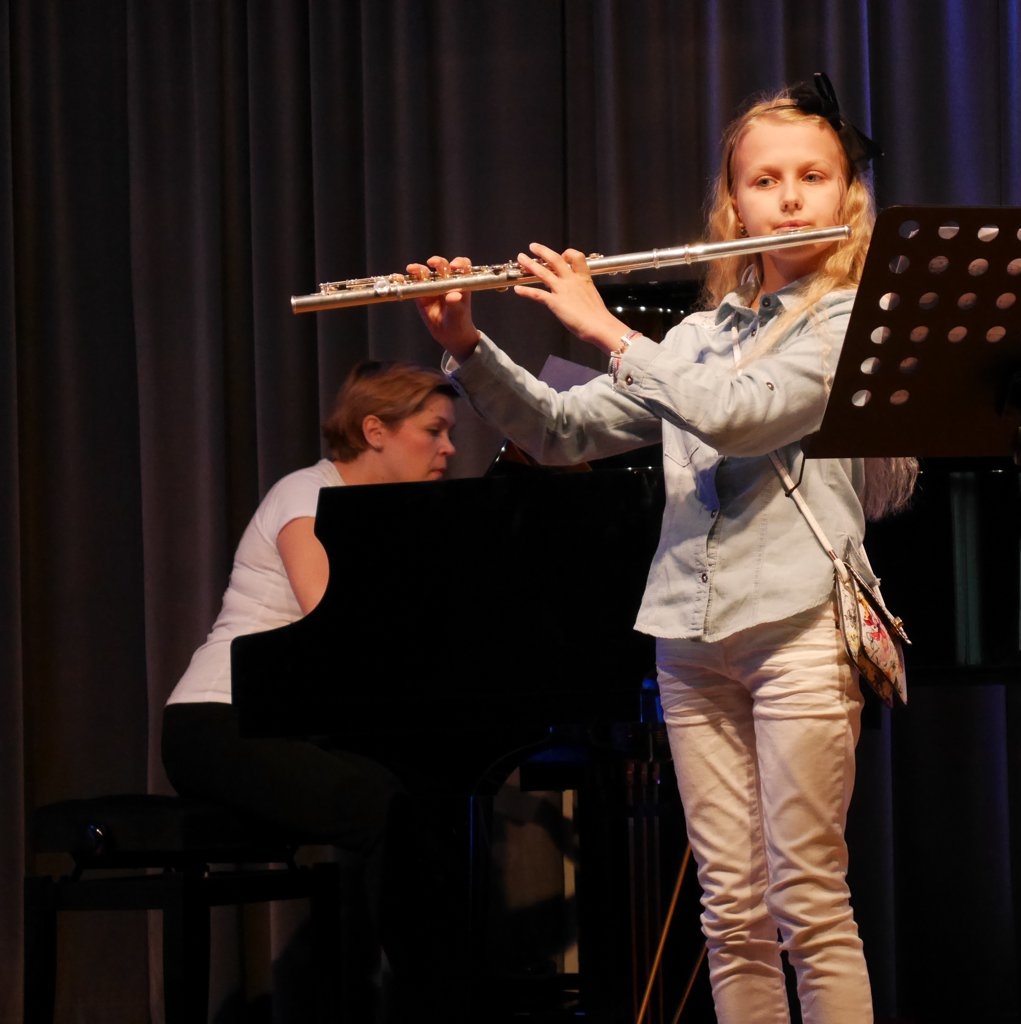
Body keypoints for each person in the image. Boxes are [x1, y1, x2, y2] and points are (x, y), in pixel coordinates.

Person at [407, 75, 916, 1024]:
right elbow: (560, 430)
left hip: (799, 625)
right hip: (687, 633)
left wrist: (604, 327)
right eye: (765, 181)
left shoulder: (851, 321)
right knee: (730, 911)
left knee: (807, 899)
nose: (790, 199)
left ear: (849, 198)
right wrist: (468, 345)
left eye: (813, 177)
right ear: (734, 205)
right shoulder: (696, 335)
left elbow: (740, 415)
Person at [161, 359, 460, 1021]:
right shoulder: (307, 493)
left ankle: (433, 995)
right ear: (375, 430)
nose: (449, 448)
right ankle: (424, 1004)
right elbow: (330, 621)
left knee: (425, 801)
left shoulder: (384, 516)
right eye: (433, 430)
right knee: (384, 805)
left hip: (285, 721)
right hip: (217, 723)